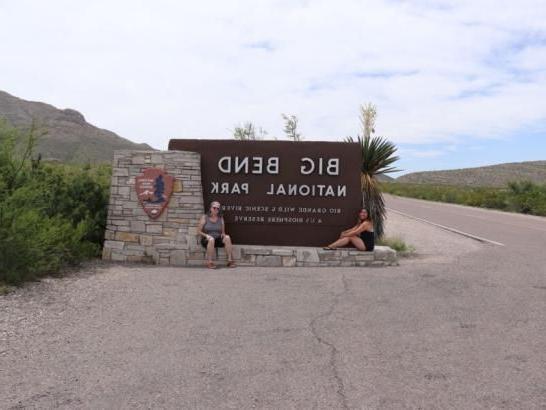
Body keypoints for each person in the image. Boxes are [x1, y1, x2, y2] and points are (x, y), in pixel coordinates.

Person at [197, 201, 236, 269]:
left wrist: (223, 235)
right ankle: (210, 262)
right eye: (214, 208)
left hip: (217, 239)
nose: (216, 209)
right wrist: (206, 235)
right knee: (211, 239)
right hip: (207, 240)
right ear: (210, 208)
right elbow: (198, 231)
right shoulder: (205, 217)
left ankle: (230, 260)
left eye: (218, 208)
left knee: (227, 237)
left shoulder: (220, 218)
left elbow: (223, 232)